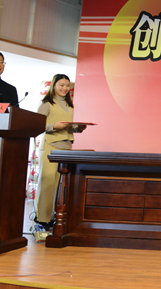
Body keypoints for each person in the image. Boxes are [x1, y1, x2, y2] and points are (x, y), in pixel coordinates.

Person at [35, 74, 86, 236]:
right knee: (48, 183)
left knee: (60, 185)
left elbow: (68, 126)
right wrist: (54, 126)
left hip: (66, 147)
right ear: (54, 86)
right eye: (61, 85)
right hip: (50, 146)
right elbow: (37, 124)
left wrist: (78, 128)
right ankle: (42, 220)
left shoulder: (70, 105)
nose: (65, 88)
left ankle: (55, 219)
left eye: (67, 85)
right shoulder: (47, 104)